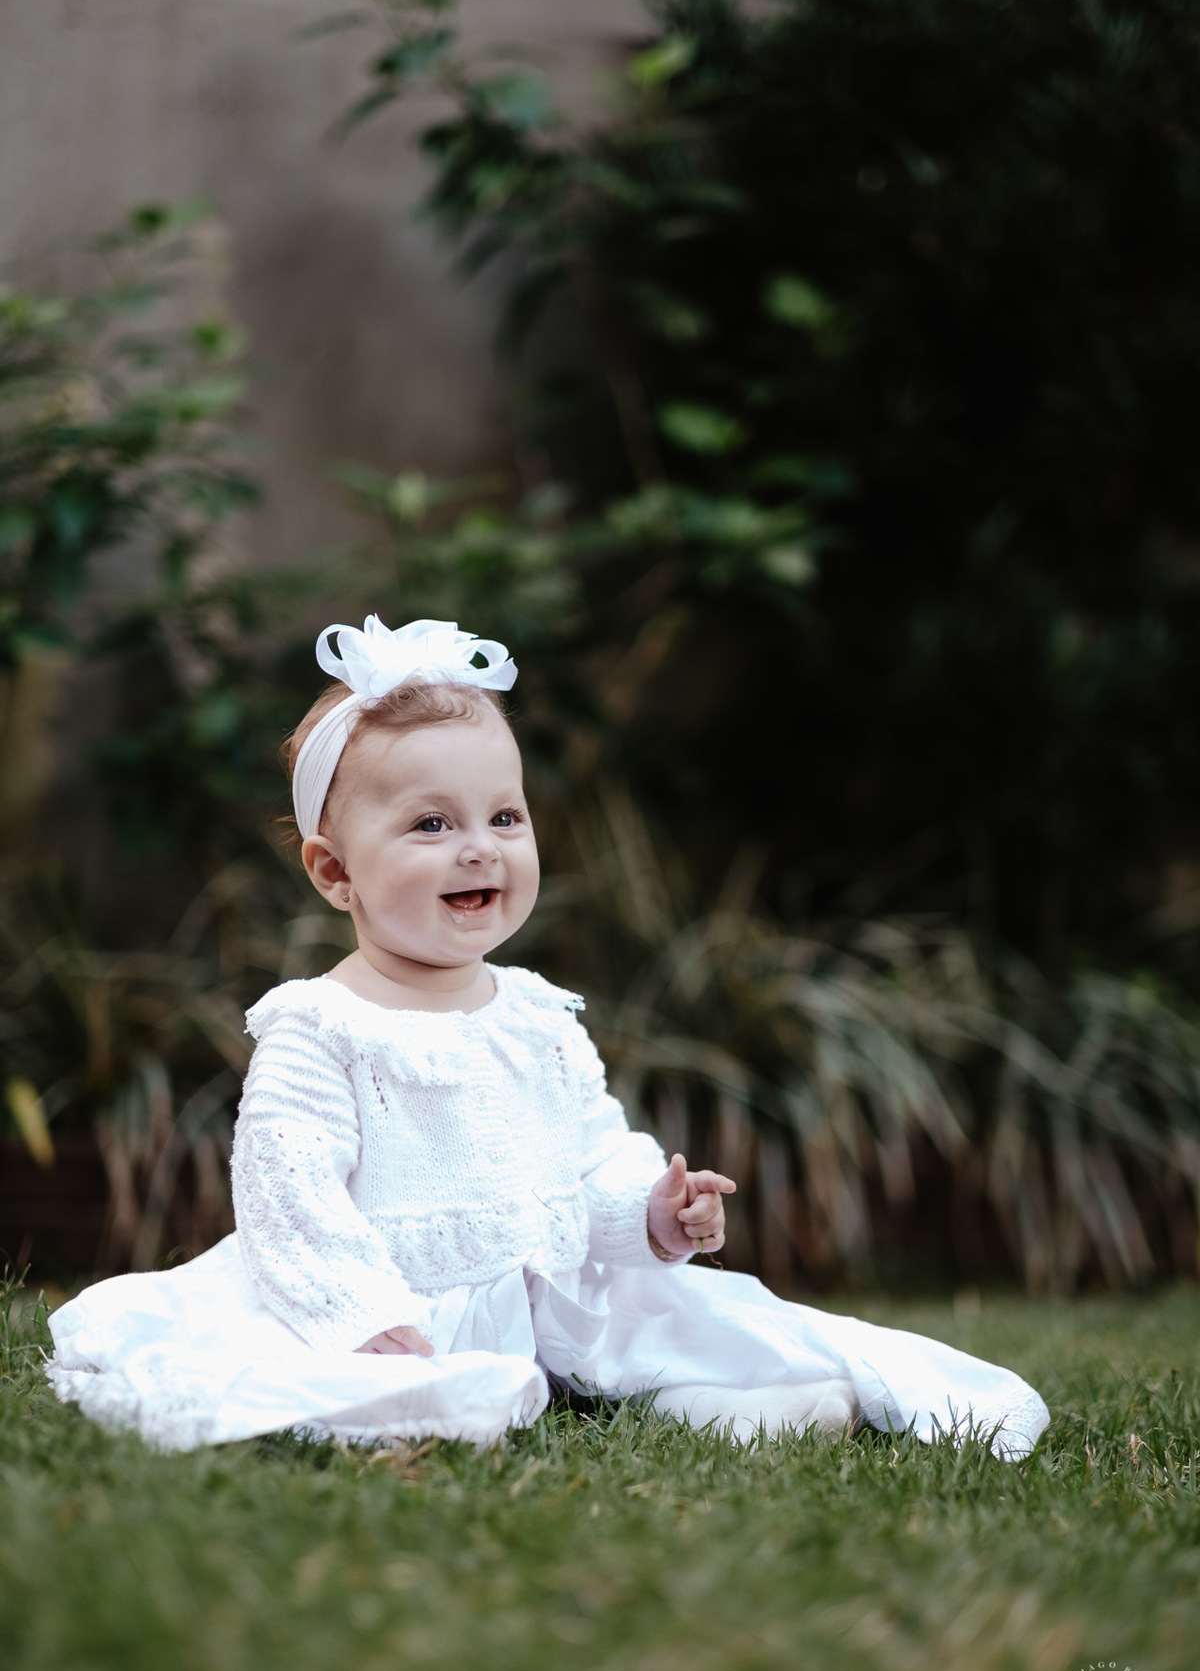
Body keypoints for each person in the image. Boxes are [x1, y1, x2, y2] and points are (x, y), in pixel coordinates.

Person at [47, 616, 1051, 1459]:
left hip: (552, 1298)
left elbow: (590, 1155)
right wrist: (361, 1321)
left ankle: (729, 1400)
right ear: (334, 873)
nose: (478, 844)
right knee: (351, 1389)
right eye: (430, 825)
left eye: (504, 816)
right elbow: (290, 1198)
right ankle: (413, 1400)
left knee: (707, 1333)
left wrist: (652, 1213)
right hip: (397, 1308)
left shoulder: (534, 1014)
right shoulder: (320, 1027)